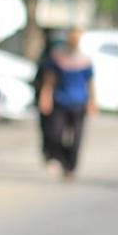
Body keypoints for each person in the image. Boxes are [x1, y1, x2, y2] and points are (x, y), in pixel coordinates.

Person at [37, 29, 96, 181]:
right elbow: (50, 78)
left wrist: (92, 101)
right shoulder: (58, 57)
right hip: (61, 101)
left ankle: (70, 167)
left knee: (76, 138)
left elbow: (90, 83)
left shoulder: (85, 60)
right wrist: (46, 96)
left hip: (79, 103)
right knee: (55, 134)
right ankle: (60, 158)